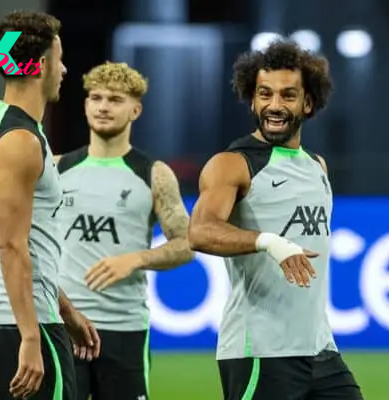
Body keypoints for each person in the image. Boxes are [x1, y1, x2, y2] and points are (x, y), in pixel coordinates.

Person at [188, 40, 364, 400]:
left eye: (288, 95)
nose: (274, 105)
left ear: (308, 103)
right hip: (261, 353)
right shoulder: (233, 163)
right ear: (251, 100)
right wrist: (270, 243)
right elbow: (200, 231)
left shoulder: (317, 166)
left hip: (320, 349)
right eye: (264, 94)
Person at [0, 11, 100, 400]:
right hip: (17, 326)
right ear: (40, 65)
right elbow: (12, 246)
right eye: (60, 58)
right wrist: (30, 335)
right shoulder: (21, 141)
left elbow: (28, 246)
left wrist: (66, 312)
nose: (65, 69)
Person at [54, 61, 195, 400]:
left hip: (124, 328)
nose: (103, 107)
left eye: (115, 100)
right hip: (64, 325)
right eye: (96, 98)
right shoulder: (56, 168)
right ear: (86, 104)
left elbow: (188, 244)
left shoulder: (154, 175)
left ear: (136, 109)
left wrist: (135, 259)